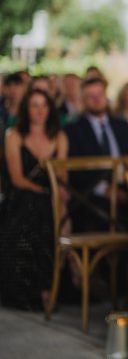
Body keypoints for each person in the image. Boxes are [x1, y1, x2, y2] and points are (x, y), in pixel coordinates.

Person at [0, 89, 68, 310]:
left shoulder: (59, 136)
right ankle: (38, 289)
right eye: (34, 105)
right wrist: (44, 192)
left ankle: (51, 286)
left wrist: (56, 194)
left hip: (51, 198)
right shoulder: (14, 135)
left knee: (53, 212)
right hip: (21, 197)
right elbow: (17, 178)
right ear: (26, 110)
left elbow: (62, 176)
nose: (40, 111)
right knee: (36, 211)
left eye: (44, 105)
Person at [64, 77, 128, 233]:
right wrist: (105, 190)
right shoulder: (73, 130)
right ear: (83, 100)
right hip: (92, 193)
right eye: (90, 96)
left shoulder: (121, 126)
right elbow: (76, 169)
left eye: (100, 94)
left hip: (126, 187)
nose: (96, 100)